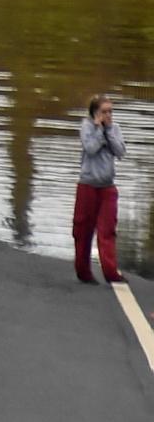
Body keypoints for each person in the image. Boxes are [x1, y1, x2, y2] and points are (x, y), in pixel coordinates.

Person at [77, 95, 125, 284]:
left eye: (110, 111)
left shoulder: (115, 128)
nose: (108, 115)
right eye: (104, 111)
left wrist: (109, 132)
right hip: (88, 184)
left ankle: (111, 273)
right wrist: (98, 130)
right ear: (95, 112)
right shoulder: (86, 127)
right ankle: (84, 272)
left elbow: (120, 152)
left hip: (107, 186)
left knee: (108, 230)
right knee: (83, 229)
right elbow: (90, 148)